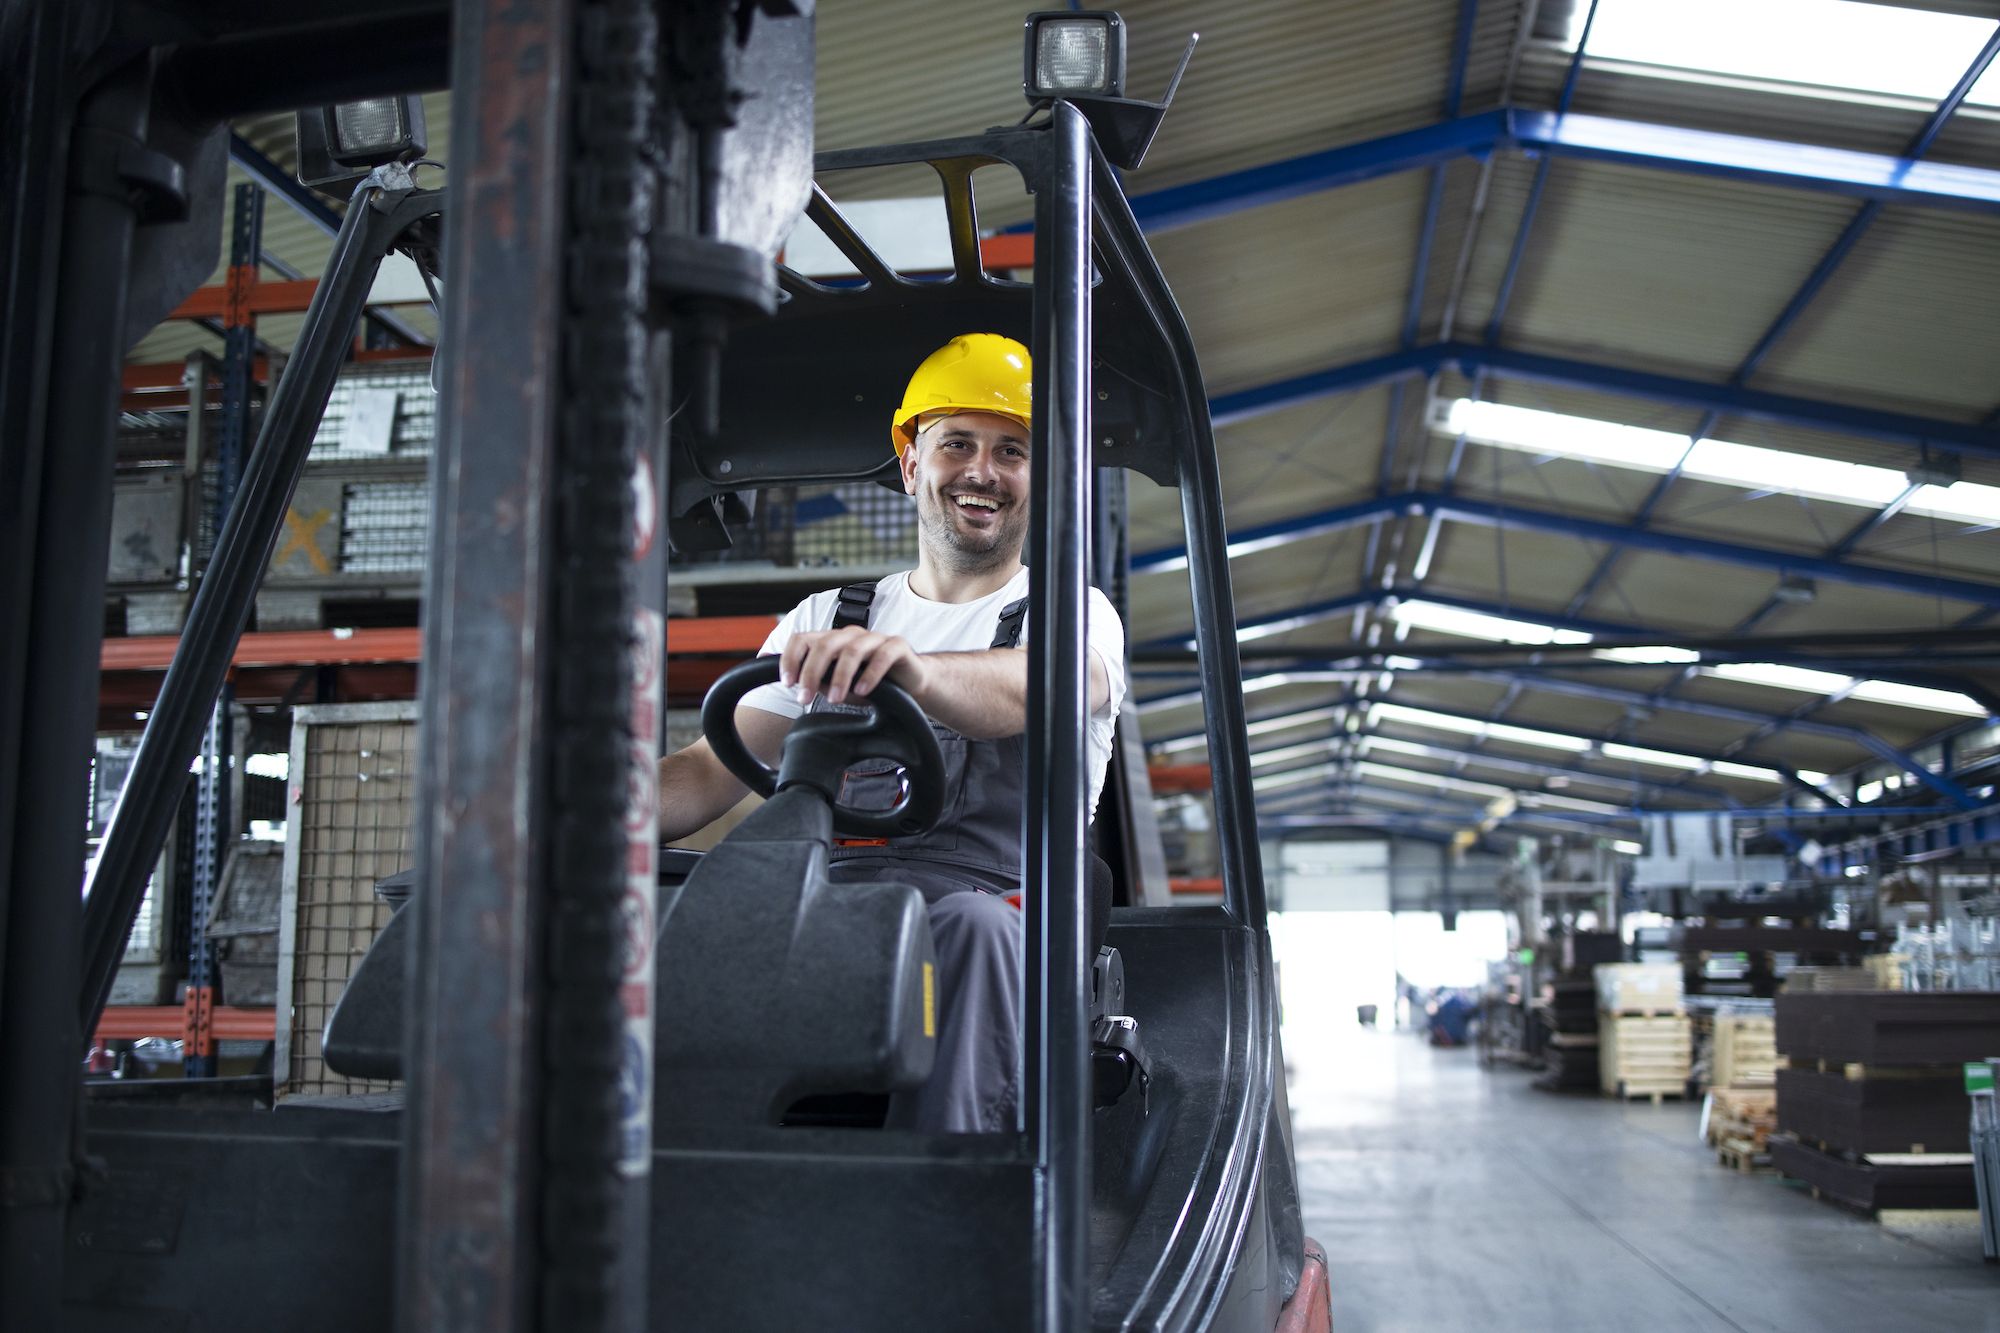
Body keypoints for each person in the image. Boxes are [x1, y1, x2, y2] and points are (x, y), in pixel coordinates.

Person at [655, 333, 1128, 1133]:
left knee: (965, 930)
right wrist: (567, 817)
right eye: (958, 445)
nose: (983, 470)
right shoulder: (829, 616)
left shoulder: (1073, 612)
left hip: (1000, 910)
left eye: (1011, 450)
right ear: (912, 464)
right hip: (837, 900)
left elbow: (1029, 690)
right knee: (681, 907)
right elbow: (706, 771)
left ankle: (950, 1204)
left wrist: (912, 668)